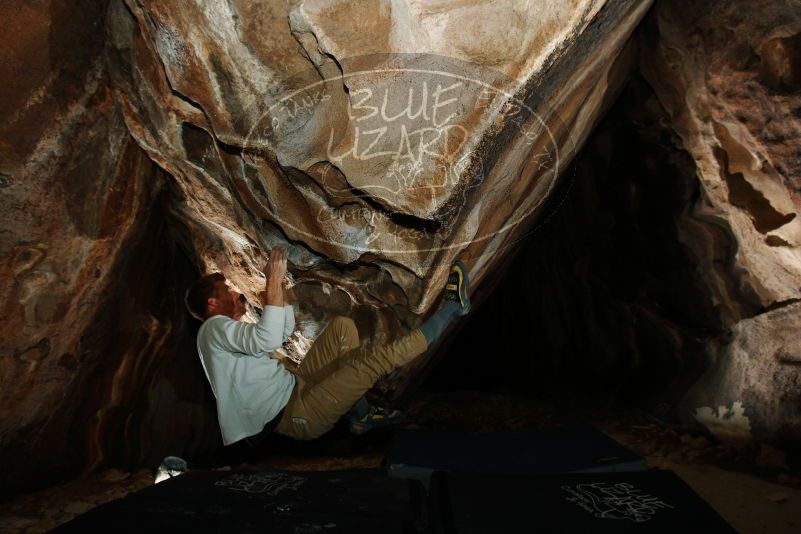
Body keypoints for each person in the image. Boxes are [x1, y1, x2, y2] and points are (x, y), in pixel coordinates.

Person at [185, 246, 471, 446]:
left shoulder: (224, 336)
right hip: (300, 414)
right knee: (373, 363)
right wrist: (272, 278)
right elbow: (269, 338)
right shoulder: (213, 329)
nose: (235, 293)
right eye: (227, 291)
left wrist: (278, 285)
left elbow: (282, 329)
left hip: (298, 387)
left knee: (341, 330)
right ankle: (453, 308)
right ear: (213, 303)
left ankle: (361, 417)